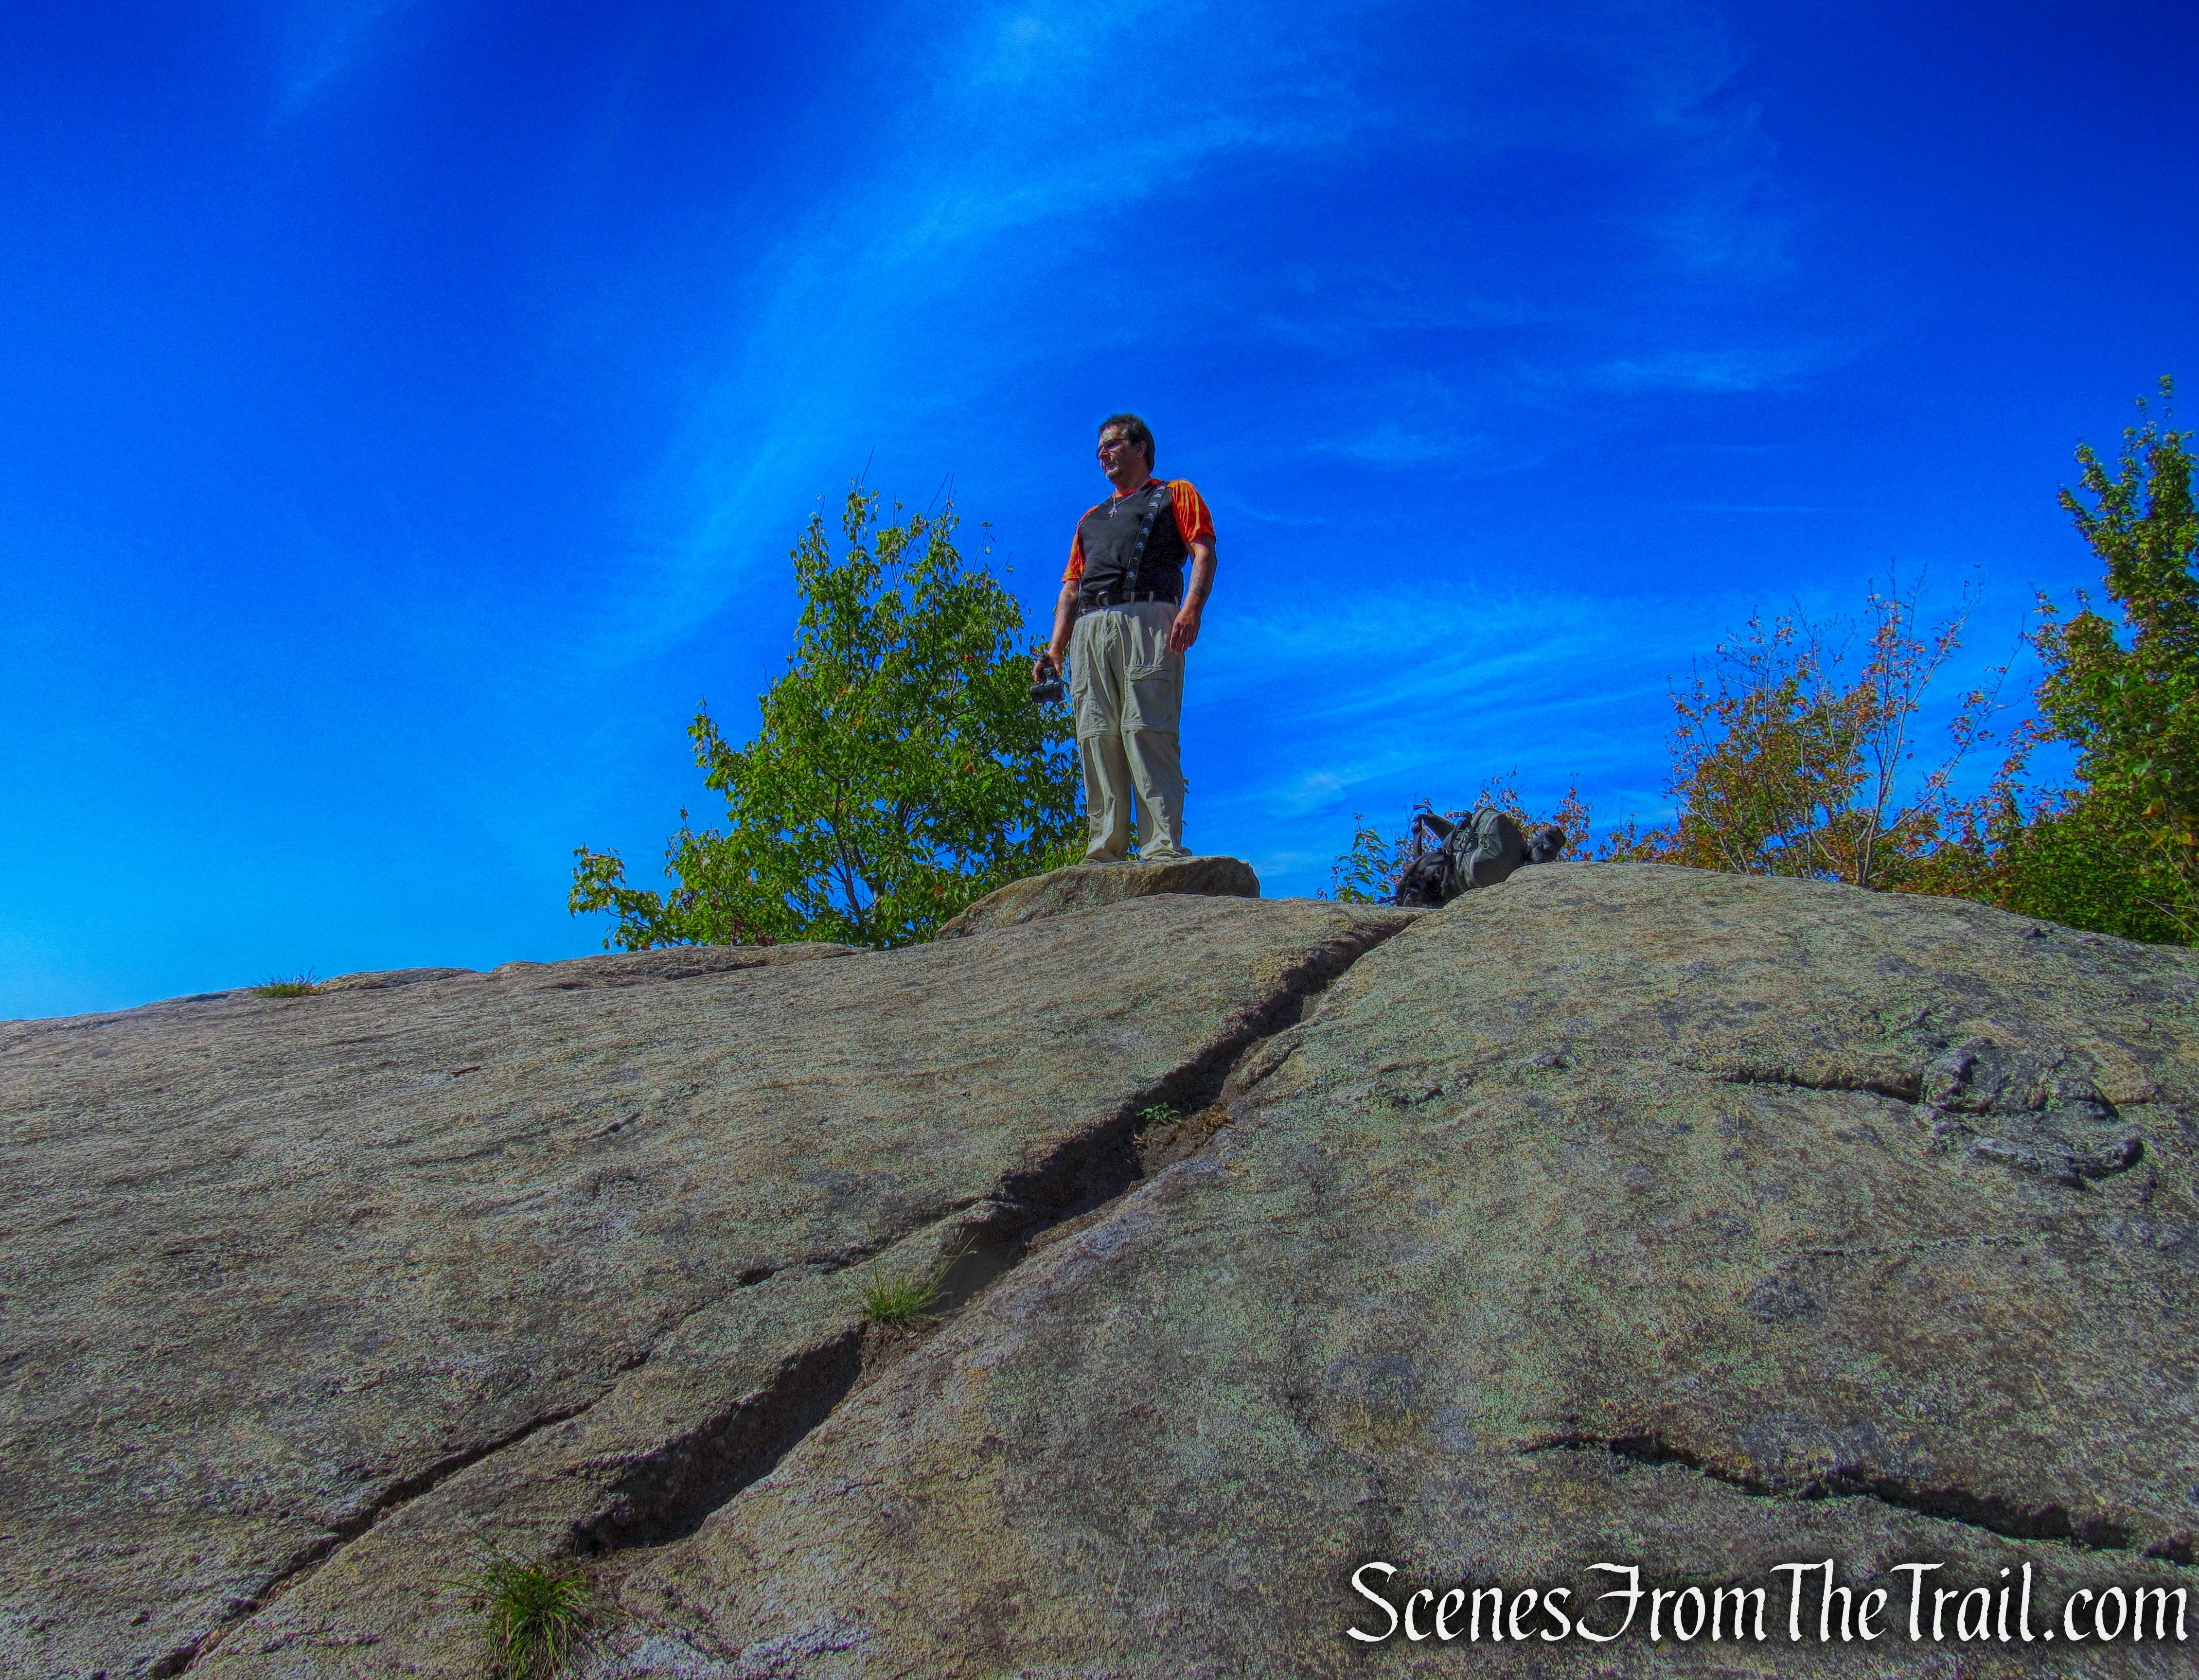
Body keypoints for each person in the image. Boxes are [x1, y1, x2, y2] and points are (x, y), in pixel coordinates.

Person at [1033, 414, 1217, 863]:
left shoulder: (1175, 493)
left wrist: (1192, 608)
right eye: (1100, 448)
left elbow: (1203, 552)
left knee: (1147, 728)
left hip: (1149, 618)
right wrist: (1054, 651)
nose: (1103, 453)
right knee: (1096, 733)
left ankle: (1161, 846)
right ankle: (1104, 848)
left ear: (1141, 447)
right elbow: (1070, 589)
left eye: (1113, 443)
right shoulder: (1090, 519)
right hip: (1090, 629)